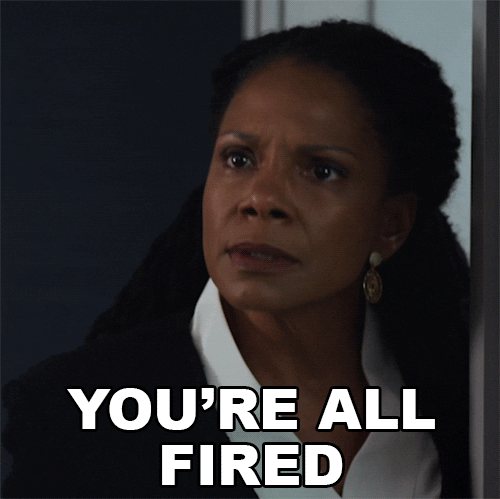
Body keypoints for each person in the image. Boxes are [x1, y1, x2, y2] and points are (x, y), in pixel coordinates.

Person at [2, 20, 470, 498]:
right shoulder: (75, 422)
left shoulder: (463, 411)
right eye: (239, 159)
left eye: (322, 171)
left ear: (392, 224)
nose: (261, 199)